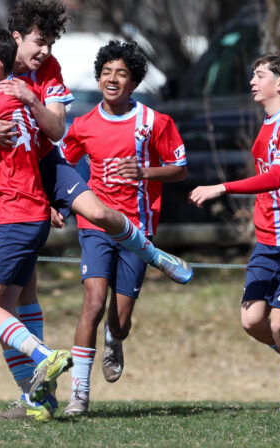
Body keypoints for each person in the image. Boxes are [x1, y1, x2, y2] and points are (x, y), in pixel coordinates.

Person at [0, 0, 192, 418]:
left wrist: (28, 99)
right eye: (39, 42)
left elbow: (55, 129)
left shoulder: (44, 72)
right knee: (18, 294)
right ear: (16, 39)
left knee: (101, 212)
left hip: (42, 166)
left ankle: (154, 254)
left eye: (50, 43)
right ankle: (37, 395)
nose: (45, 51)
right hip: (14, 179)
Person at [189, 51, 280, 412]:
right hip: (270, 239)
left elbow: (275, 178)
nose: (253, 82)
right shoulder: (269, 123)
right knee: (253, 321)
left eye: (259, 75)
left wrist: (221, 188)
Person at [59, 41, 187, 416]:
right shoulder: (81, 125)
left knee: (120, 319)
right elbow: (62, 169)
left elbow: (180, 169)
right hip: (95, 224)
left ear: (133, 83)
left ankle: (114, 340)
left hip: (138, 231)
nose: (112, 79)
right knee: (94, 302)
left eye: (122, 73)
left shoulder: (154, 123)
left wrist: (145, 171)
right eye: (107, 72)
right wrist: (59, 204)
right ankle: (78, 394)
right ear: (99, 78)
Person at [0, 27, 73, 422]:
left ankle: (45, 356)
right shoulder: (23, 99)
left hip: (10, 214)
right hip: (33, 213)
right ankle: (37, 400)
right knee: (6, 305)